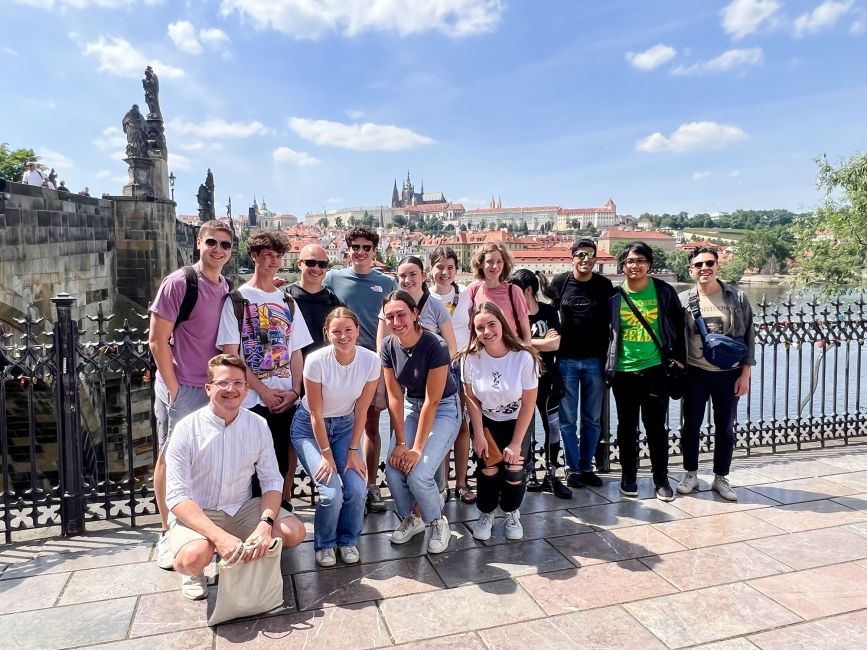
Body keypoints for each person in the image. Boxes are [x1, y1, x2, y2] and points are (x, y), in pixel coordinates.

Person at [165, 354, 306, 600]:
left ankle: (250, 553)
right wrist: (219, 537)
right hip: (202, 511)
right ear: (208, 388)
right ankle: (196, 567)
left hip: (241, 508)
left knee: (294, 532)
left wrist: (265, 524)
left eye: (238, 383)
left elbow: (272, 480)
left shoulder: (258, 425)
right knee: (192, 559)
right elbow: (176, 497)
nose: (231, 389)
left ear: (246, 388)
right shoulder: (186, 429)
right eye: (222, 383)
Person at [149, 220, 234, 574]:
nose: (218, 249)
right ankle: (168, 533)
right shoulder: (180, 282)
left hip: (212, 387)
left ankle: (195, 530)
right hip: (184, 386)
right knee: (170, 458)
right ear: (199, 243)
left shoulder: (225, 284)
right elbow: (156, 340)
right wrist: (172, 387)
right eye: (211, 242)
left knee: (202, 461)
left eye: (225, 245)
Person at [217, 229, 313, 510]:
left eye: (277, 256)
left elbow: (296, 351)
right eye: (267, 255)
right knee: (249, 463)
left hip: (285, 396)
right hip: (251, 399)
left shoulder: (288, 302)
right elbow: (231, 356)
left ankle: (277, 514)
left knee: (280, 460)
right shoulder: (236, 300)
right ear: (254, 256)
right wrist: (263, 391)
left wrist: (295, 391)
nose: (273, 262)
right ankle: (251, 517)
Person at [291, 307, 380, 566]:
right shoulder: (316, 361)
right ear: (327, 333)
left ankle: (348, 540)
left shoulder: (370, 361)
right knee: (331, 493)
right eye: (336, 331)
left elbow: (362, 409)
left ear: (358, 332)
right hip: (309, 429)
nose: (343, 336)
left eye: (348, 330)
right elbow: (316, 414)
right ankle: (325, 543)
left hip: (345, 428)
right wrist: (326, 456)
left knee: (356, 487)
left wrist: (353, 450)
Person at [381, 291, 461, 554]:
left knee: (419, 474)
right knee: (393, 470)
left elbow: (433, 401)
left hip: (444, 409)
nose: (396, 321)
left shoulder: (434, 346)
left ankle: (438, 521)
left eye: (401, 314)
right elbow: (394, 395)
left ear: (415, 314)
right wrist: (401, 443)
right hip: (410, 406)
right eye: (390, 316)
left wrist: (416, 448)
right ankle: (412, 518)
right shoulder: (389, 346)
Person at [606, 241, 686, 501]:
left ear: (649, 265)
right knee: (626, 427)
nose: (635, 265)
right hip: (623, 370)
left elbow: (678, 324)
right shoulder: (615, 297)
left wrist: (680, 359)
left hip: (655, 370)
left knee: (656, 427)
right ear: (623, 265)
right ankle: (628, 475)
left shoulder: (663, 291)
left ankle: (660, 478)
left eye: (640, 260)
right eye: (630, 261)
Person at [325, 226, 396, 514]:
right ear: (348, 249)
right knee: (338, 426)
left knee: (369, 428)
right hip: (339, 364)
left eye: (367, 247)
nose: (361, 252)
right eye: (355, 246)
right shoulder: (334, 277)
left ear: (374, 250)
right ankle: (345, 484)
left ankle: (369, 486)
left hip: (372, 366)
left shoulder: (386, 283)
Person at [677, 247, 755, 502]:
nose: (704, 268)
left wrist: (746, 373)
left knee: (725, 428)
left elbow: (749, 337)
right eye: (699, 265)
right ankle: (690, 473)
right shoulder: (683, 299)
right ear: (691, 270)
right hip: (696, 372)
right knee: (691, 426)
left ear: (718, 266)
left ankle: (721, 477)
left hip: (728, 373)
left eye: (709, 263)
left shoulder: (736, 297)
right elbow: (675, 338)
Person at [461, 302, 540, 541]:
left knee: (514, 469)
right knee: (488, 469)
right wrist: (479, 435)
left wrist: (516, 443)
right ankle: (485, 513)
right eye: (480, 327)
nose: (486, 332)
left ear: (501, 323)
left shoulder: (523, 357)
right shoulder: (470, 359)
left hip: (517, 421)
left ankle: (511, 511)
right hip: (487, 420)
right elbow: (471, 398)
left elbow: (528, 403)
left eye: (491, 324)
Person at [546, 239, 614, 489]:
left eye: (590, 255)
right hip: (566, 360)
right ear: (572, 257)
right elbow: (550, 314)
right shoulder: (560, 282)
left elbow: (614, 323)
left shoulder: (604, 286)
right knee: (566, 420)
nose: (585, 259)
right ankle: (572, 469)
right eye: (581, 255)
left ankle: (587, 466)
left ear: (595, 259)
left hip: (595, 360)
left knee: (592, 419)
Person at [509, 270, 571, 499]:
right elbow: (510, 344)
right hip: (520, 381)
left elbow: (555, 345)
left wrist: (526, 342)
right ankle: (528, 472)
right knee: (524, 428)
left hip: (547, 378)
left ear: (527, 291)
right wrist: (539, 342)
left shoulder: (548, 312)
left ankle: (553, 475)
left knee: (552, 427)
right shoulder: (512, 316)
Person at [428, 246, 475, 504]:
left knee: (463, 426)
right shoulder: (425, 297)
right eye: (439, 267)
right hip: (435, 368)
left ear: (456, 270)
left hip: (462, 365)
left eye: (449, 267)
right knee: (440, 427)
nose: (444, 272)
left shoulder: (467, 295)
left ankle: (462, 483)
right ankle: (441, 484)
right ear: (431, 270)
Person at [456, 242, 532, 346]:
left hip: (511, 351)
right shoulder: (473, 289)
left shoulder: (514, 291)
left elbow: (526, 332)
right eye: (490, 261)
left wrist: (527, 354)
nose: (495, 266)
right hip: (483, 352)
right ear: (481, 264)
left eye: (499, 261)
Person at [289, 244, 343, 360]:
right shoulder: (285, 297)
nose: (317, 268)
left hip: (326, 367)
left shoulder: (334, 301)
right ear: (299, 264)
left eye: (322, 264)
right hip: (292, 367)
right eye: (310, 263)